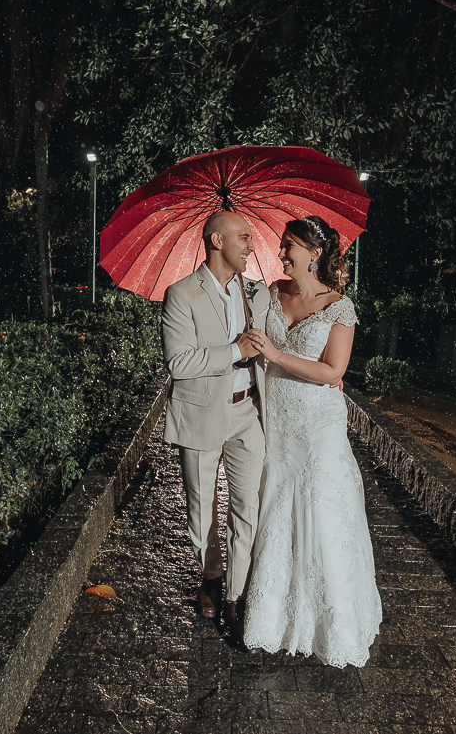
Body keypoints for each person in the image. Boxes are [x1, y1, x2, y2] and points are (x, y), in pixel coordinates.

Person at [241, 215, 382, 668]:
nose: (281, 254)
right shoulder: (268, 294)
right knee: (279, 510)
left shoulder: (340, 307)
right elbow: (245, 339)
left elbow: (333, 371)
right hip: (278, 421)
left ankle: (333, 624)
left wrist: (278, 355)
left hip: (318, 423)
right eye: (282, 246)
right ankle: (274, 618)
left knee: (321, 509)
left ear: (314, 253)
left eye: (289, 247)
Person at [160, 211, 271, 646]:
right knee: (201, 507)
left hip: (248, 413)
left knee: (248, 508)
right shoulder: (181, 294)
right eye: (243, 237)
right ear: (215, 240)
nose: (250, 245)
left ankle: (236, 596)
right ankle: (210, 576)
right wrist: (233, 349)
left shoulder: (256, 295)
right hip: (201, 412)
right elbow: (179, 362)